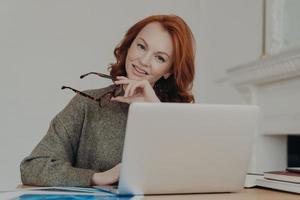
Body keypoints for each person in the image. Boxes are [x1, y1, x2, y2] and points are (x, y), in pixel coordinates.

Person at [20, 14, 196, 187]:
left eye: (160, 58)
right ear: (129, 46)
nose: (143, 61)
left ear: (169, 71)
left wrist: (156, 114)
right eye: (141, 46)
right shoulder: (86, 104)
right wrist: (97, 177)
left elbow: (194, 176)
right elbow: (33, 167)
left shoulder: (180, 116)